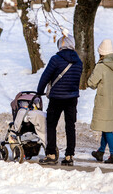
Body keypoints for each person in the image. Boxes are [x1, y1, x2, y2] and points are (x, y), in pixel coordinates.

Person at [37, 34, 83, 166]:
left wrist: (40, 91)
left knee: (51, 125)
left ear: (61, 45)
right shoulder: (78, 61)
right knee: (70, 126)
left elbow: (45, 77)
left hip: (57, 98)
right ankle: (69, 156)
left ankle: (51, 154)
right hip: (72, 98)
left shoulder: (55, 59)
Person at [87, 39, 113, 164]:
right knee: (106, 125)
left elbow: (91, 83)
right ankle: (101, 151)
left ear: (101, 53)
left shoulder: (101, 66)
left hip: (104, 101)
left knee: (108, 129)